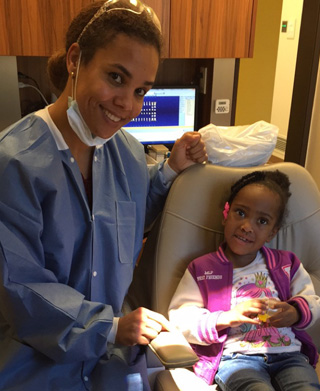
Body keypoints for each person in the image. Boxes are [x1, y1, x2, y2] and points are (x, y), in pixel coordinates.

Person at [0, 1, 208, 390]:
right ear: (76, 59)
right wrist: (110, 328)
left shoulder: (127, 152)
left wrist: (170, 170)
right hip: (33, 365)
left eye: (141, 90)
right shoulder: (14, 163)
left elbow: (126, 222)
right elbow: (20, 286)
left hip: (105, 364)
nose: (128, 105)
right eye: (116, 77)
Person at [169, 170, 320, 391]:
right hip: (237, 359)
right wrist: (226, 318)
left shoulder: (287, 264)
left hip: (289, 355)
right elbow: (180, 317)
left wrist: (295, 311)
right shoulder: (202, 269)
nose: (247, 226)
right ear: (225, 214)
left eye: (262, 221)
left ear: (272, 232)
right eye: (240, 213)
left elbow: (312, 300)